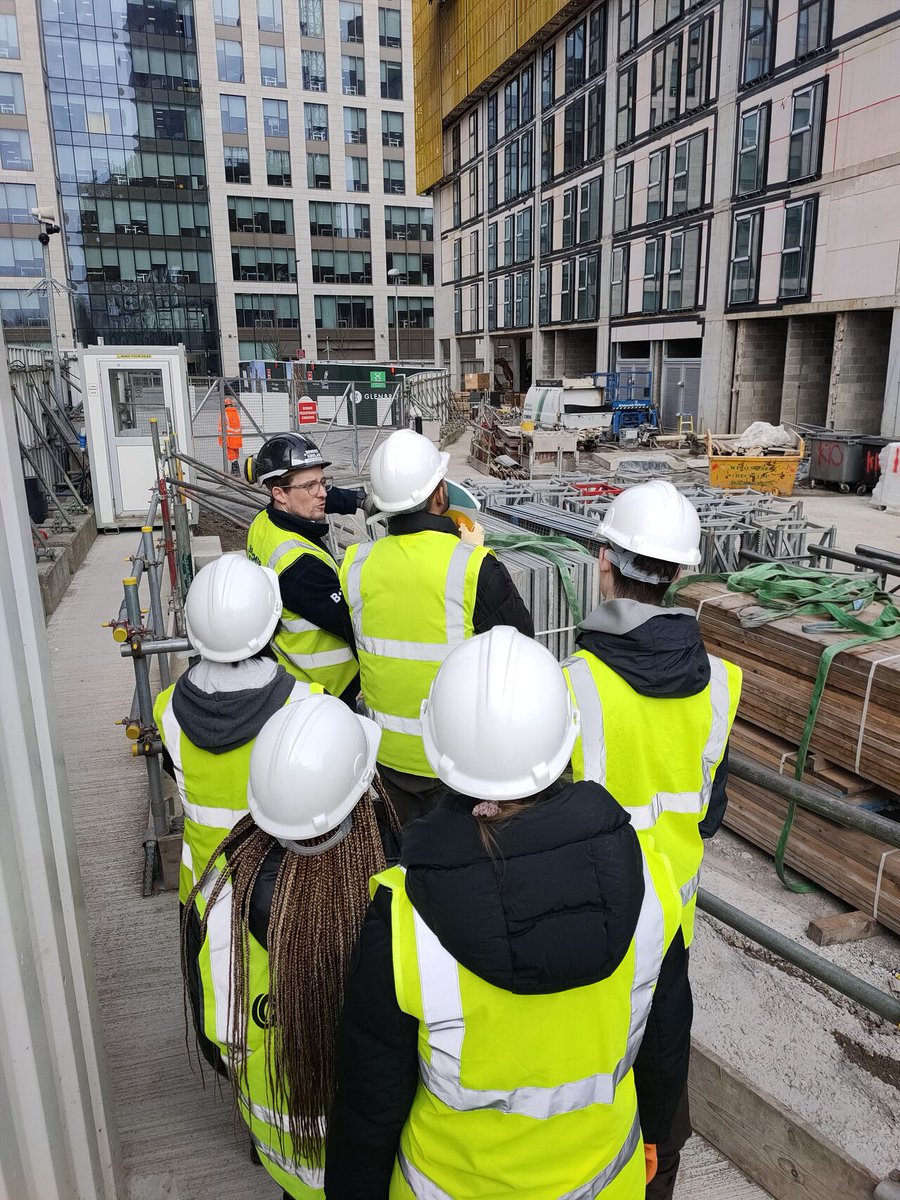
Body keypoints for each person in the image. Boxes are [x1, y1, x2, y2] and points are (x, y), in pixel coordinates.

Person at [325, 627, 690, 1199]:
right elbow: (666, 1050)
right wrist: (660, 1140)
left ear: (436, 747)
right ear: (565, 736)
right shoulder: (652, 881)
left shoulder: (402, 921)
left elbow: (370, 1103)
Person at [562, 479, 743, 1200]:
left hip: (591, 930)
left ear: (604, 561)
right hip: (670, 929)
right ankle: (655, 1176)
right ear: (678, 573)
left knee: (589, 1077)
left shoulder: (573, 685)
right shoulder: (721, 685)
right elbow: (709, 816)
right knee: (662, 1076)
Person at [182, 693, 397, 1200]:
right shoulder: (400, 899)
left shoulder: (216, 900)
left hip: (285, 1160)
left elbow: (215, 1043)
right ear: (364, 789)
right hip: (380, 1169)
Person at [340, 428, 534, 824]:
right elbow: (522, 652)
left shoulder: (355, 565)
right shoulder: (473, 567)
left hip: (388, 760)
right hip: (457, 761)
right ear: (440, 494)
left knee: (409, 860)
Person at [154, 553, 321, 904]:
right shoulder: (305, 704)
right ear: (272, 621)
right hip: (280, 902)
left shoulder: (167, 708)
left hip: (204, 894)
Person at [246, 433, 366, 707]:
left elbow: (320, 497)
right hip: (327, 687)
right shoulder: (301, 567)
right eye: (311, 485)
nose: (322, 493)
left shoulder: (264, 522)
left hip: (287, 671)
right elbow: (356, 622)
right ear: (280, 494)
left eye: (322, 482)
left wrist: (359, 500)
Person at [218, 396, 243, 474]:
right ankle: (233, 471)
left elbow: (221, 428)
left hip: (228, 439)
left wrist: (221, 440)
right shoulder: (237, 413)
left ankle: (236, 472)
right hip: (237, 438)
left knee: (231, 455)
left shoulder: (224, 414)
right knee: (235, 455)